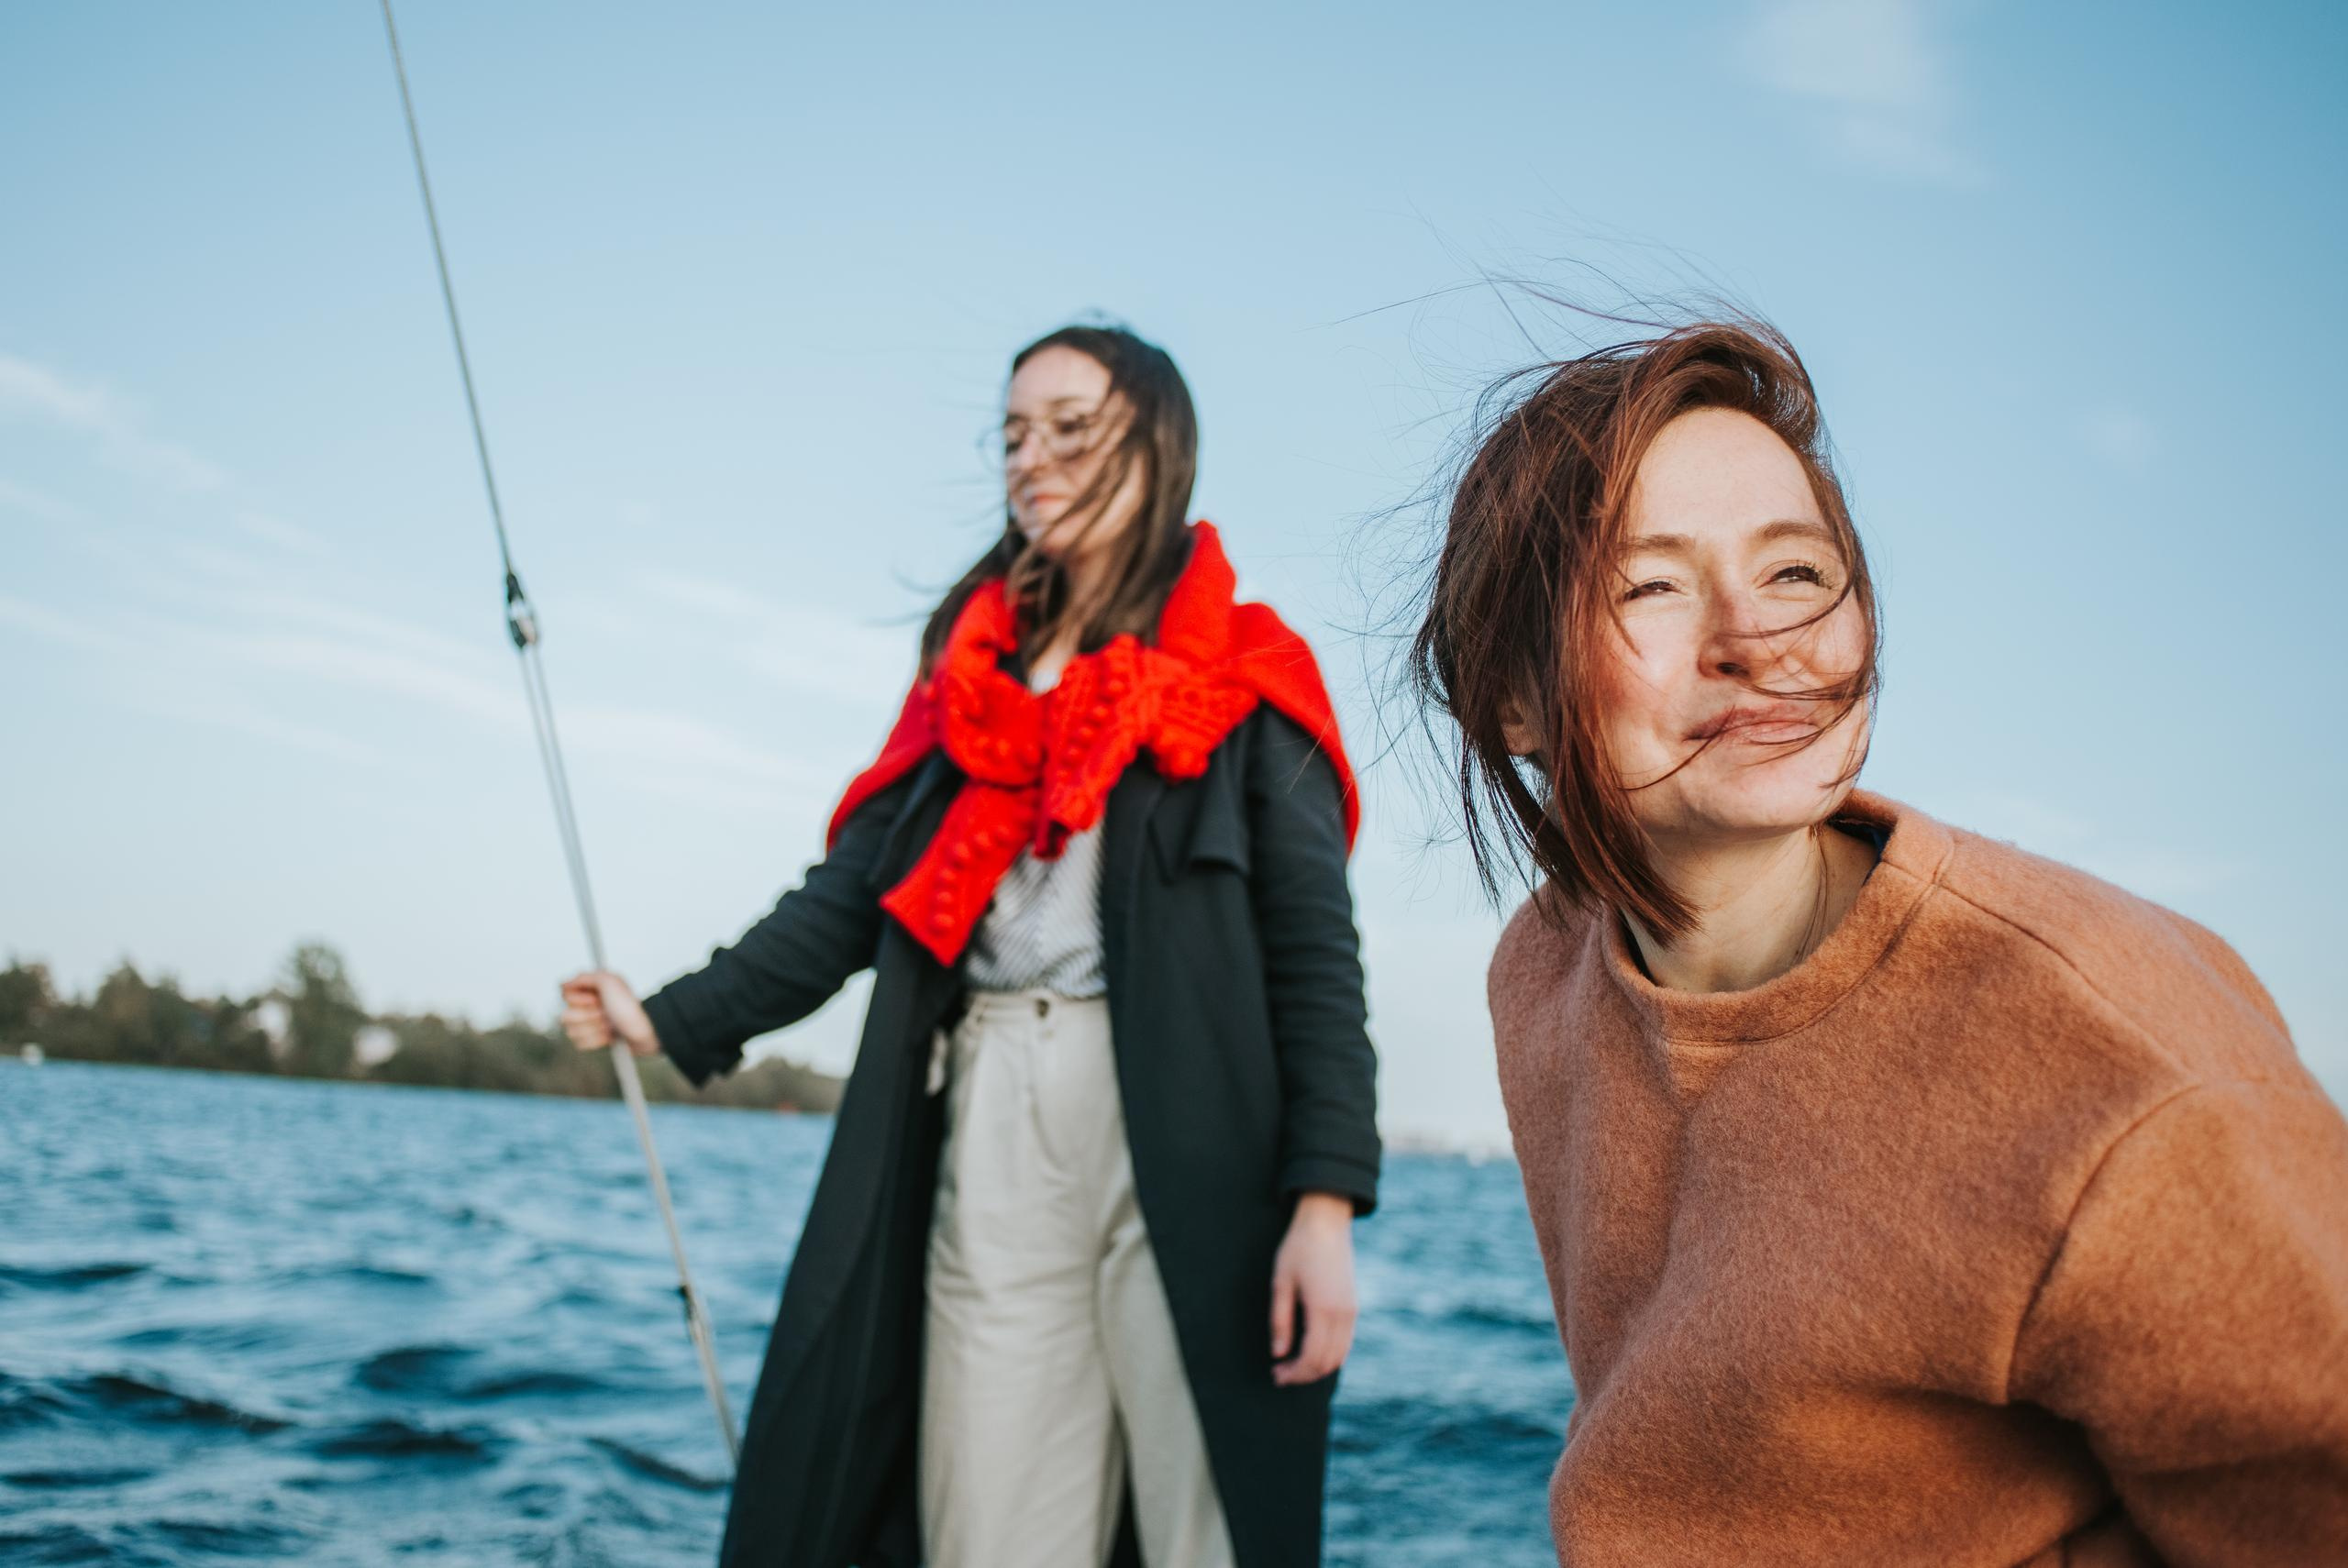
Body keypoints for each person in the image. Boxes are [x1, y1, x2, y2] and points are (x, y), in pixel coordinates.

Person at [1409, 317, 2348, 1565]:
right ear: (1506, 698)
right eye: (1649, 583)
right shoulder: (1546, 965)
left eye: (1798, 572)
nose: (1760, 637)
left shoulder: (2121, 1071)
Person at [560, 324, 1379, 1568]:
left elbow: (1318, 952)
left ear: (1157, 447)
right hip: (994, 1110)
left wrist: (1325, 1204)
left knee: (1205, 1517)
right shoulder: (967, 683)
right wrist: (667, 1012)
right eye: (1011, 435)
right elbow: (844, 902)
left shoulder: (1249, 676)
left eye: (1068, 427)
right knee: (990, 1520)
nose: (1030, 459)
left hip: (1205, 1128)